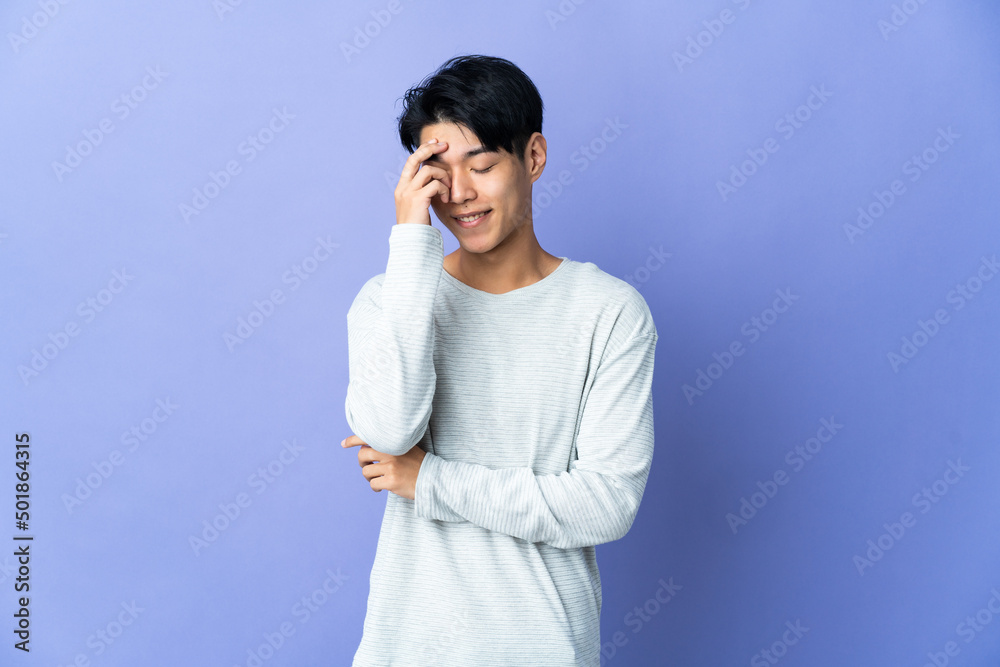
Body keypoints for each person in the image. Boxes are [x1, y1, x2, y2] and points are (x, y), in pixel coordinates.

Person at [341, 54, 658, 666]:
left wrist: (429, 480)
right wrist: (411, 240)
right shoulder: (391, 299)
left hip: (542, 648)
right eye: (436, 173)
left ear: (532, 158)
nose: (458, 194)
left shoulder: (609, 312)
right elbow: (387, 430)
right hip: (407, 648)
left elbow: (607, 504)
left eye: (482, 166)